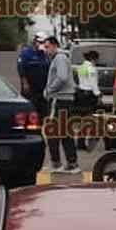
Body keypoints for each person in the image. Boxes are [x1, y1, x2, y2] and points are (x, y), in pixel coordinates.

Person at [44, 36, 79, 174]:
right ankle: (72, 163)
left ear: (54, 46)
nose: (45, 50)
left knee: (52, 131)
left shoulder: (59, 58)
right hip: (64, 99)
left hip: (59, 99)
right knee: (64, 132)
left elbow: (62, 77)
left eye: (47, 47)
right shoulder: (61, 58)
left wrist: (49, 89)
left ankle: (56, 163)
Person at [17, 31, 50, 120]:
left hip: (43, 88)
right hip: (30, 88)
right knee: (29, 109)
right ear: (35, 41)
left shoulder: (45, 54)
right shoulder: (26, 53)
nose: (42, 44)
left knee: (43, 110)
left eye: (44, 42)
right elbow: (21, 68)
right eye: (40, 42)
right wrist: (25, 83)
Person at [74, 50, 101, 150]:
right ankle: (88, 140)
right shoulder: (91, 69)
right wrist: (98, 95)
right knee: (89, 119)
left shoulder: (81, 67)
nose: (97, 62)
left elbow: (79, 81)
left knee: (82, 119)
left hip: (81, 94)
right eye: (97, 59)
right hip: (89, 96)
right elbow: (93, 83)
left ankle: (80, 142)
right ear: (93, 59)